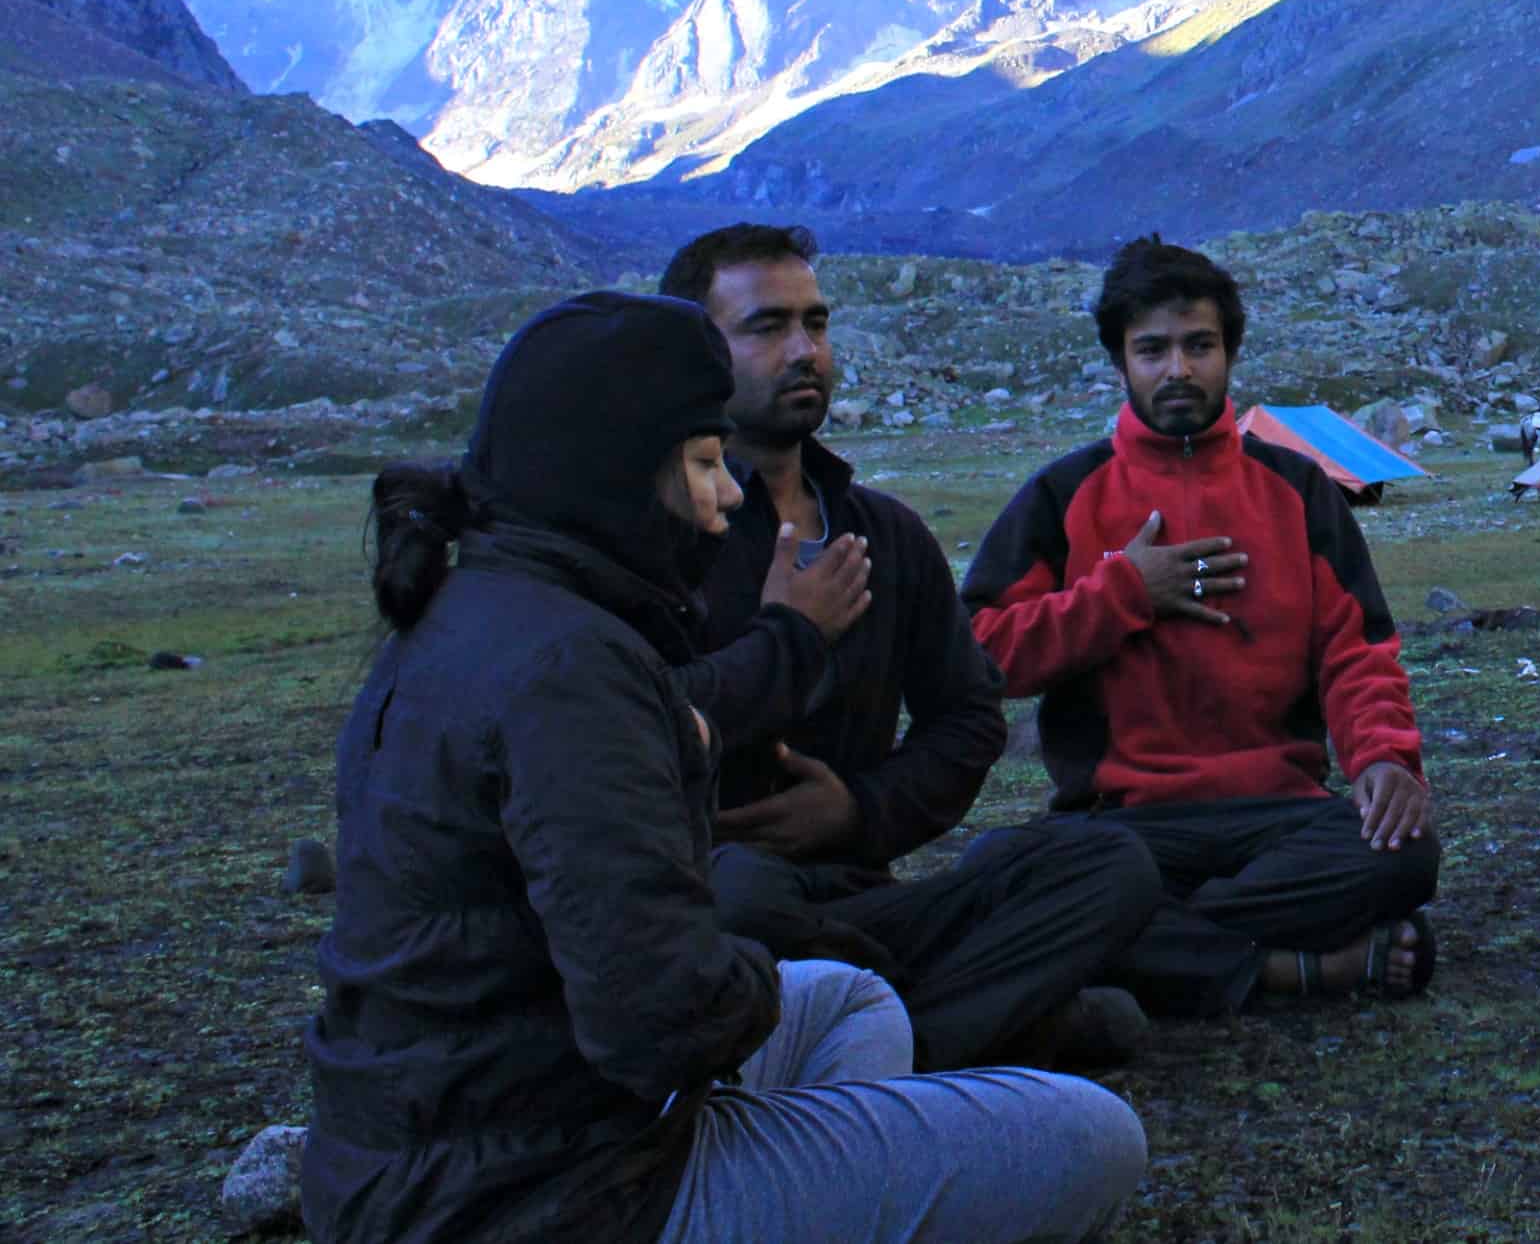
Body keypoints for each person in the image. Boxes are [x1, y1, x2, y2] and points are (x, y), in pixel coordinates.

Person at [301, 290, 1143, 1244]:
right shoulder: (569, 666)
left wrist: (851, 822)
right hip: (546, 1198)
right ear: (619, 475)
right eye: (705, 464)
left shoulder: (475, 614)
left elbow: (962, 714)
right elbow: (661, 1016)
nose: (730, 494)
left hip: (465, 1140)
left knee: (848, 999)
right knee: (1091, 1135)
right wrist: (739, 962)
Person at [659, 223, 1165, 1073]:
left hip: (857, 898)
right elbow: (624, 722)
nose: (803, 351)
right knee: (739, 891)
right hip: (709, 898)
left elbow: (969, 717)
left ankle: (888, 1039)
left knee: (1108, 862)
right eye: (766, 327)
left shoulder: (884, 535)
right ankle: (979, 1027)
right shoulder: (663, 541)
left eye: (815, 324)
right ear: (693, 350)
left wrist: (857, 810)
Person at [960, 235, 1438, 1017]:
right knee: (996, 870)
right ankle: (1297, 966)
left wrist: (1384, 759)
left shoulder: (1297, 491)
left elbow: (1358, 652)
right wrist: (1121, 594)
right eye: (1152, 349)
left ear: (1229, 355)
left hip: (1278, 814)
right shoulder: (1064, 494)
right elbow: (979, 654)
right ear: (1121, 362)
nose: (1177, 369)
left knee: (1403, 851)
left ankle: (1135, 948)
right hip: (1125, 826)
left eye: (1198, 346)